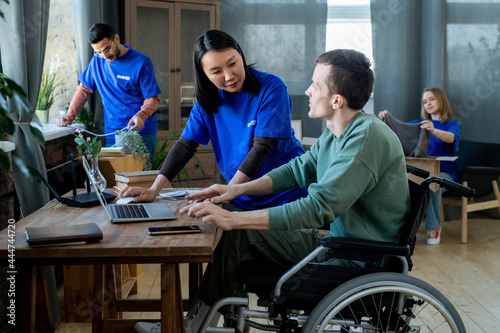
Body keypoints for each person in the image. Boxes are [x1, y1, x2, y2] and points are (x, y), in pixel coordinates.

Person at [134, 49, 410, 333]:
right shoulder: (338, 131)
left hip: (357, 259)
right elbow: (296, 170)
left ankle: (195, 326)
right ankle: (210, 324)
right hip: (338, 246)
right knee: (236, 231)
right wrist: (233, 191)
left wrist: (233, 219)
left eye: (315, 85)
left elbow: (318, 208)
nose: (308, 91)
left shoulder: (364, 139)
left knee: (236, 228)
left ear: (337, 100)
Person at [120, 30, 307, 210]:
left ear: (240, 55)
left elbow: (262, 147)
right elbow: (185, 146)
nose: (229, 76)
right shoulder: (207, 102)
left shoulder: (272, 87)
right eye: (216, 71)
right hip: (240, 196)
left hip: (284, 195)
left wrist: (228, 192)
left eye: (233, 63)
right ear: (204, 75)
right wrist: (154, 190)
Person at [57, 22, 161, 162]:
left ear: (116, 39)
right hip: (113, 133)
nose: (105, 56)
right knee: (116, 181)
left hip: (140, 133)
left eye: (107, 49)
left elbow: (153, 99)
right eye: (98, 52)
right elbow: (83, 90)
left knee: (137, 181)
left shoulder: (141, 62)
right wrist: (69, 116)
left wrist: (141, 116)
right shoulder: (97, 61)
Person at [378, 87, 461, 245]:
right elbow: (400, 130)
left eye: (431, 99)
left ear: (441, 100)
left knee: (432, 183)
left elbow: (451, 138)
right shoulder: (419, 124)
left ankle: (433, 228)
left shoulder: (453, 124)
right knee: (403, 184)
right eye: (424, 101)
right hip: (420, 173)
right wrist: (386, 119)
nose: (427, 103)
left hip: (446, 173)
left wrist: (433, 130)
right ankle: (396, 230)